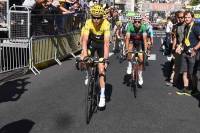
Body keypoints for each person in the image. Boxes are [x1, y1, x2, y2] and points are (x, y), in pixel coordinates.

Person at [81, 4, 110, 108]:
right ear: (91, 16)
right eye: (94, 17)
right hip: (92, 43)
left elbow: (106, 43)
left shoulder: (106, 24)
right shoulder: (88, 22)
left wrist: (105, 59)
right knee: (84, 58)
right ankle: (88, 73)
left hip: (102, 44)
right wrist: (84, 56)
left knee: (101, 70)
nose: (96, 20)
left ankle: (102, 96)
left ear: (102, 17)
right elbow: (84, 41)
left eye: (98, 18)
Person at [176, 11, 200, 96]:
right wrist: (180, 47)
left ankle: (195, 90)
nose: (186, 19)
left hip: (193, 54)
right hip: (185, 53)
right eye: (185, 17)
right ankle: (185, 89)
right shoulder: (186, 26)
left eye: (188, 17)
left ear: (192, 18)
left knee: (192, 73)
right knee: (184, 72)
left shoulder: (196, 27)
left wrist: (195, 49)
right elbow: (185, 40)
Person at [125, 13, 147, 86]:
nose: (137, 23)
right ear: (133, 22)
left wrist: (146, 50)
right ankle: (129, 64)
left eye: (139, 22)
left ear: (141, 22)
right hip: (132, 41)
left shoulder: (143, 27)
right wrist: (126, 49)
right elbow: (127, 38)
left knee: (140, 60)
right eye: (135, 21)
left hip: (140, 42)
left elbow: (144, 40)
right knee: (129, 50)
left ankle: (140, 75)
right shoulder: (130, 27)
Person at [166, 10, 185, 87]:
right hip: (178, 47)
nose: (181, 19)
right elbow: (175, 38)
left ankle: (186, 83)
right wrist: (173, 48)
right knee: (175, 65)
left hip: (186, 47)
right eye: (179, 17)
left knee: (185, 66)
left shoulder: (188, 26)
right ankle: (172, 80)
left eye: (182, 17)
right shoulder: (176, 26)